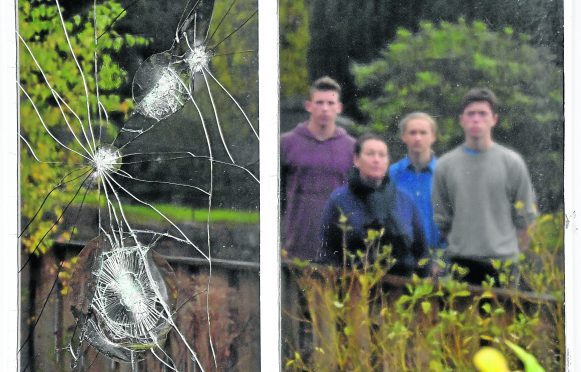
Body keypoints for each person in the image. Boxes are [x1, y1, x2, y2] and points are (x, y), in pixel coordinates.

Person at [432, 88, 538, 286]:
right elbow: (442, 220)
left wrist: (510, 252)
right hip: (461, 264)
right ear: (461, 120)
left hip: (503, 265)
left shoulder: (512, 163)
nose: (476, 119)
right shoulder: (445, 165)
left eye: (483, 114)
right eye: (470, 114)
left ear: (494, 119)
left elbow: (527, 218)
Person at [319, 134, 430, 277]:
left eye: (382, 155)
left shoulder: (404, 200)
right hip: (353, 287)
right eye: (370, 154)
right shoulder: (340, 200)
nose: (376, 160)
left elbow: (421, 251)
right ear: (357, 160)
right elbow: (328, 251)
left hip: (401, 288)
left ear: (388, 161)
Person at [281, 76, 356, 260]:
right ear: (309, 106)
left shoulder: (352, 148)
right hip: (295, 245)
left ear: (339, 108)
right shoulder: (286, 143)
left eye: (330, 103)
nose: (325, 108)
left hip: (338, 249)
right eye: (319, 102)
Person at [389, 112, 444, 250]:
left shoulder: (445, 175)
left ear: (433, 137)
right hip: (401, 257)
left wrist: (441, 260)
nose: (418, 138)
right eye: (412, 133)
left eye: (423, 133)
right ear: (403, 137)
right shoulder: (391, 174)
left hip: (437, 257)